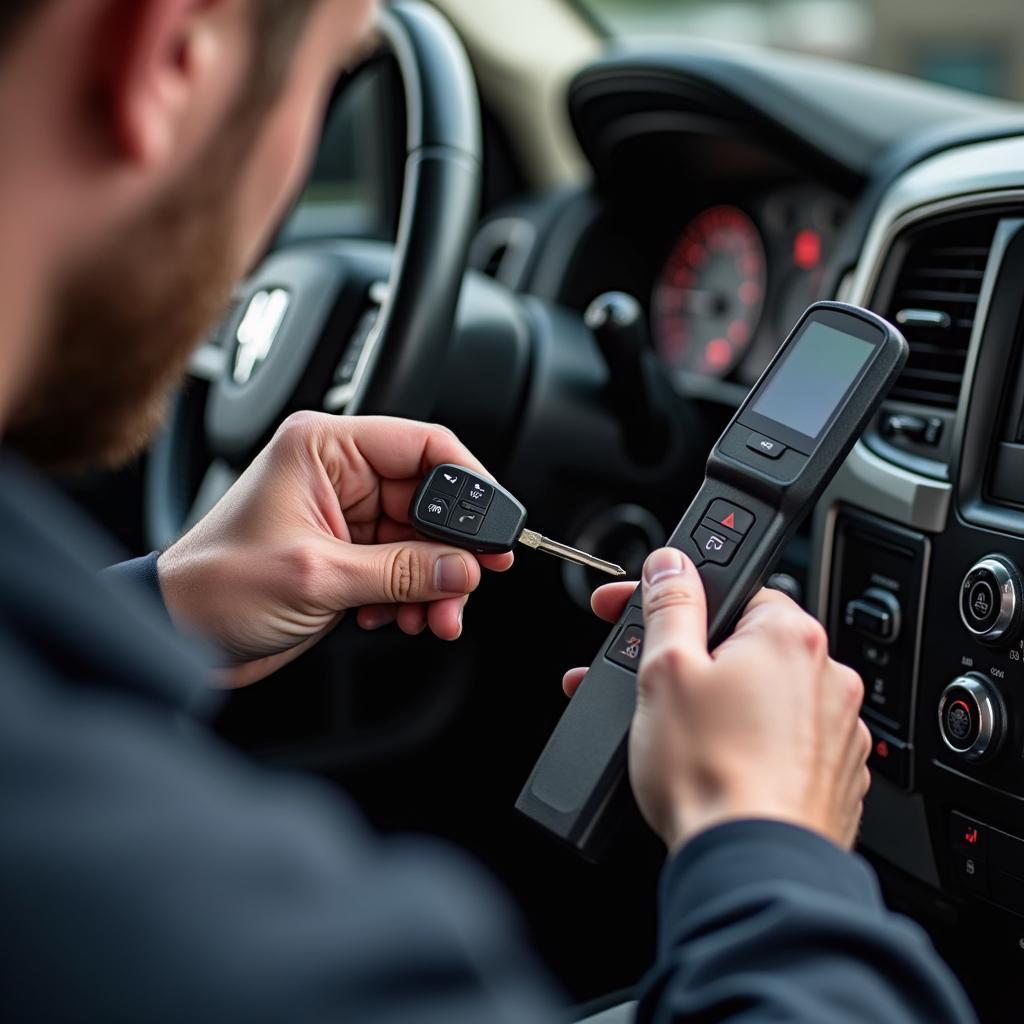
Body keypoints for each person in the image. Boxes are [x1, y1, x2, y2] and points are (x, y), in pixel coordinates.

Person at [0, 1, 979, 1021]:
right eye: (331, 83)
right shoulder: (193, 935)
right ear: (167, 53)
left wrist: (167, 608)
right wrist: (774, 836)